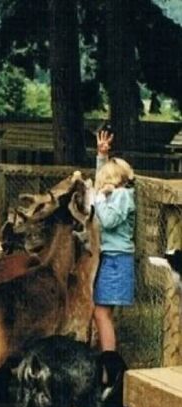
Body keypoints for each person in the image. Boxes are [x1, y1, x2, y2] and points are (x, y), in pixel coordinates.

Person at [92, 129, 135, 371]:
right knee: (101, 313)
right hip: (110, 258)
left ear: (115, 180)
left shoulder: (122, 196)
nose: (101, 184)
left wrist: (99, 198)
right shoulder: (115, 194)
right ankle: (106, 360)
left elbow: (107, 221)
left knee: (101, 313)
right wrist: (101, 155)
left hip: (117, 261)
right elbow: (102, 179)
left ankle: (110, 366)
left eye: (105, 179)